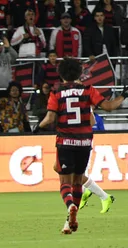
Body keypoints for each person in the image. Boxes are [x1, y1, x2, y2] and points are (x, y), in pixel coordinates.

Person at [35, 57, 127, 233]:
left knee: (64, 181)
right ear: (79, 73)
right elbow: (108, 107)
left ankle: (70, 206)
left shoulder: (57, 93)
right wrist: (123, 95)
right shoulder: (87, 90)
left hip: (65, 141)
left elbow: (50, 118)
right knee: (78, 181)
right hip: (84, 142)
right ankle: (69, 221)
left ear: (61, 75)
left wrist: (37, 127)